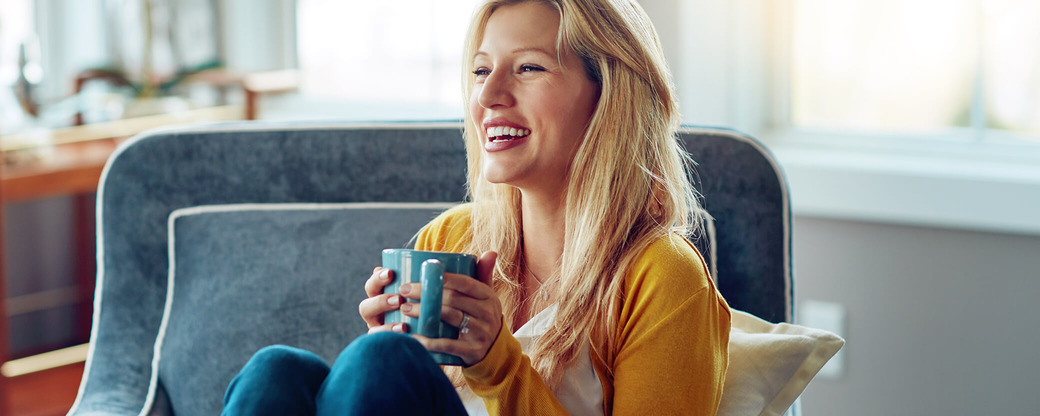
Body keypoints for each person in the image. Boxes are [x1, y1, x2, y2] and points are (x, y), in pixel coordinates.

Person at [222, 0, 730, 415]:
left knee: (381, 361)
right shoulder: (450, 240)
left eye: (528, 67)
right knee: (276, 372)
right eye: (482, 70)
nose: (487, 94)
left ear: (609, 96)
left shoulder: (664, 276)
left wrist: (494, 362)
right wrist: (396, 360)